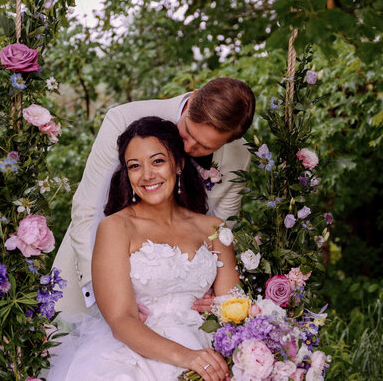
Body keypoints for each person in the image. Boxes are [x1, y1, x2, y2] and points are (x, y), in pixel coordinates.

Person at [46, 117, 239, 380]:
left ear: (179, 163)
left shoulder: (214, 228)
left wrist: (218, 308)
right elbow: (121, 320)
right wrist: (188, 357)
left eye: (157, 161)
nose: (147, 175)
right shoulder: (116, 228)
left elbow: (234, 307)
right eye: (134, 166)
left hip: (210, 343)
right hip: (139, 352)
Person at [52, 77, 255, 315]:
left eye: (205, 147)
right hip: (90, 284)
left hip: (186, 303)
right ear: (192, 99)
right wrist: (106, 296)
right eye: (188, 132)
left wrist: (219, 299)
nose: (188, 149)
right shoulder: (123, 119)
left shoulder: (239, 156)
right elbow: (86, 211)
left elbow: (223, 235)